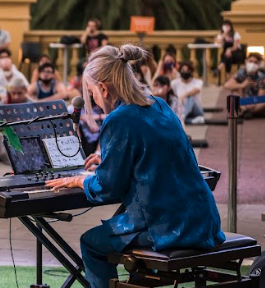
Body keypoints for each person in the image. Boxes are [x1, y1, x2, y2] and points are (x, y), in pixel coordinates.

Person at [44, 44, 225, 288]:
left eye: (92, 93)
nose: (95, 101)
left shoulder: (119, 119)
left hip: (169, 226)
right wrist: (109, 160)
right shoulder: (160, 105)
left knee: (91, 243)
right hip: (203, 220)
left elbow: (108, 188)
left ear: (104, 89)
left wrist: (81, 180)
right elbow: (152, 154)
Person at [224, 52, 265, 118]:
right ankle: (246, 111)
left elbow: (260, 96)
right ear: (246, 61)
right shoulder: (241, 73)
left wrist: (256, 86)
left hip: (255, 103)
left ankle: (246, 112)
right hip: (243, 101)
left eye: (255, 62)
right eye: (250, 61)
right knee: (234, 92)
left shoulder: (261, 76)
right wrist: (242, 85)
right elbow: (226, 85)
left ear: (259, 65)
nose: (252, 64)